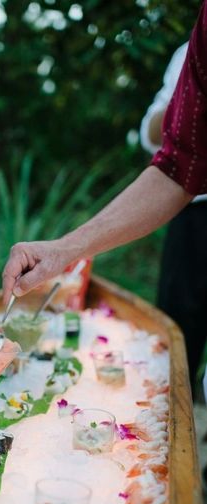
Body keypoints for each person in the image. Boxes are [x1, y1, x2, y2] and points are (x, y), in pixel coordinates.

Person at [2, 0, 207, 372]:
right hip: (194, 211)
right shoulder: (200, 41)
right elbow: (178, 167)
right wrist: (62, 251)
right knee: (182, 325)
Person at [140, 42, 207, 395]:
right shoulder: (189, 51)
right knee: (178, 330)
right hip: (193, 211)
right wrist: (187, 106)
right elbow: (155, 143)